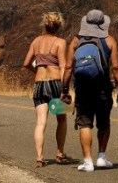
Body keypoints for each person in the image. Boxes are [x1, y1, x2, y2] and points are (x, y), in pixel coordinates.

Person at [61, 9, 118, 172]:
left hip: (82, 89)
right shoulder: (109, 41)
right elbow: (116, 68)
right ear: (102, 24)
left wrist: (64, 90)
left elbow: (68, 68)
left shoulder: (76, 41)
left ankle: (88, 162)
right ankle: (102, 157)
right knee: (104, 123)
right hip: (103, 89)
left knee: (85, 124)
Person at [22, 12, 71, 168]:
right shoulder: (60, 42)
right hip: (56, 83)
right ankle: (59, 153)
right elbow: (63, 66)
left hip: (40, 84)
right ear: (58, 26)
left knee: (40, 122)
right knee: (61, 119)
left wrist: (37, 71)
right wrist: (65, 89)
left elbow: (26, 63)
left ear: (44, 24)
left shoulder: (36, 41)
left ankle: (39, 157)